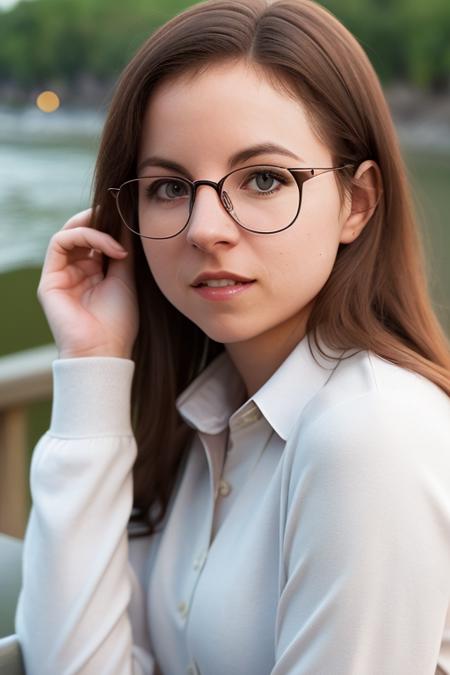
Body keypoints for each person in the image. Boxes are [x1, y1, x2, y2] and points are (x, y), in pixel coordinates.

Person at [14, 0, 450, 673]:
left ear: (357, 203)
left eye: (265, 179)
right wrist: (93, 362)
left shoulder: (372, 430)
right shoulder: (205, 421)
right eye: (169, 187)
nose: (204, 227)